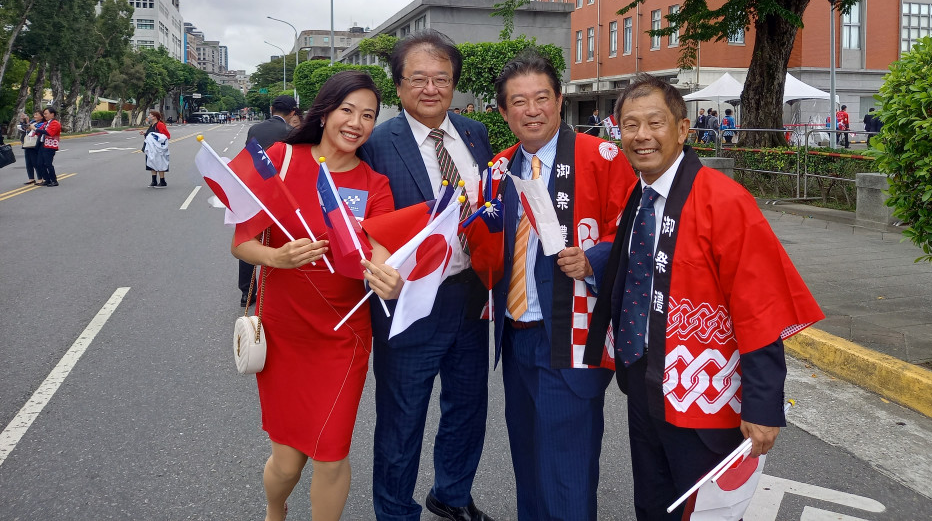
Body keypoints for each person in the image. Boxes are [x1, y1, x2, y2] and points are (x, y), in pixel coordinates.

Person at [584, 74, 823, 520]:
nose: (642, 135)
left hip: (703, 394)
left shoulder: (724, 200)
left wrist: (762, 405)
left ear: (683, 129)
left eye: (655, 122)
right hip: (646, 382)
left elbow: (759, 305)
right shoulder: (640, 195)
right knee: (653, 504)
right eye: (630, 125)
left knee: (702, 511)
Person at [473, 50, 635, 520]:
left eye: (542, 98)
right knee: (527, 461)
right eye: (518, 101)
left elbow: (635, 231)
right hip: (515, 334)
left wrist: (593, 259)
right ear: (503, 111)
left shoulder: (601, 157)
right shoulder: (500, 168)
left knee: (567, 470)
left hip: (570, 334)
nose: (532, 110)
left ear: (560, 101)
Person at [231, 71, 399, 521]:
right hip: (285, 332)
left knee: (331, 453)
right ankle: (275, 511)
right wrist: (276, 257)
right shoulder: (281, 159)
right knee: (287, 463)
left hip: (344, 337)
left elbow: (382, 254)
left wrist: (389, 279)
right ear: (324, 113)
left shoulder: (375, 184)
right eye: (348, 110)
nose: (356, 123)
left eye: (369, 115)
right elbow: (242, 242)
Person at [359, 29, 495, 521]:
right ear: (398, 85)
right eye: (418, 78)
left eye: (442, 78)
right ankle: (396, 511)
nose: (431, 88)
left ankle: (451, 494)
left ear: (454, 83)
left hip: (471, 296)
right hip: (408, 301)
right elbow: (359, 221)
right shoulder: (377, 143)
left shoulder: (474, 134)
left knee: (468, 406)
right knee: (403, 417)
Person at [238, 95, 298, 308]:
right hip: (280, 194)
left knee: (249, 240)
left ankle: (247, 292)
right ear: (293, 112)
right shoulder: (291, 133)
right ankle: (277, 287)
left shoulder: (255, 129)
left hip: (254, 191)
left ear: (272, 109)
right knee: (278, 240)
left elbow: (248, 157)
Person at [143, 110, 171, 188]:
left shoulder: (160, 125)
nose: (149, 116)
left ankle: (162, 181)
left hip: (158, 149)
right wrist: (145, 134)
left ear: (155, 117)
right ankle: (154, 181)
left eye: (150, 115)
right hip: (151, 148)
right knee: (152, 162)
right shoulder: (152, 125)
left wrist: (156, 139)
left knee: (160, 163)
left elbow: (166, 136)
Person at [36, 107, 61, 187]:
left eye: (46, 114)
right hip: (43, 144)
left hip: (50, 145)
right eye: (44, 114)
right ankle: (47, 179)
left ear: (52, 114)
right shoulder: (46, 123)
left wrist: (36, 129)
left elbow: (50, 133)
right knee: (40, 163)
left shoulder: (55, 123)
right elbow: (39, 131)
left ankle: (54, 180)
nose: (44, 115)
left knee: (48, 164)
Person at [17, 112, 43, 186]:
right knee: (28, 162)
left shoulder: (42, 123)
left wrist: (28, 123)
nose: (35, 116)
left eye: (37, 115)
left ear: (41, 117)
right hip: (27, 143)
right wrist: (23, 121)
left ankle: (40, 178)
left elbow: (32, 129)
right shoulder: (32, 122)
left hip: (35, 144)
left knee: (35, 162)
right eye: (34, 115)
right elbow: (24, 128)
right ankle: (31, 178)